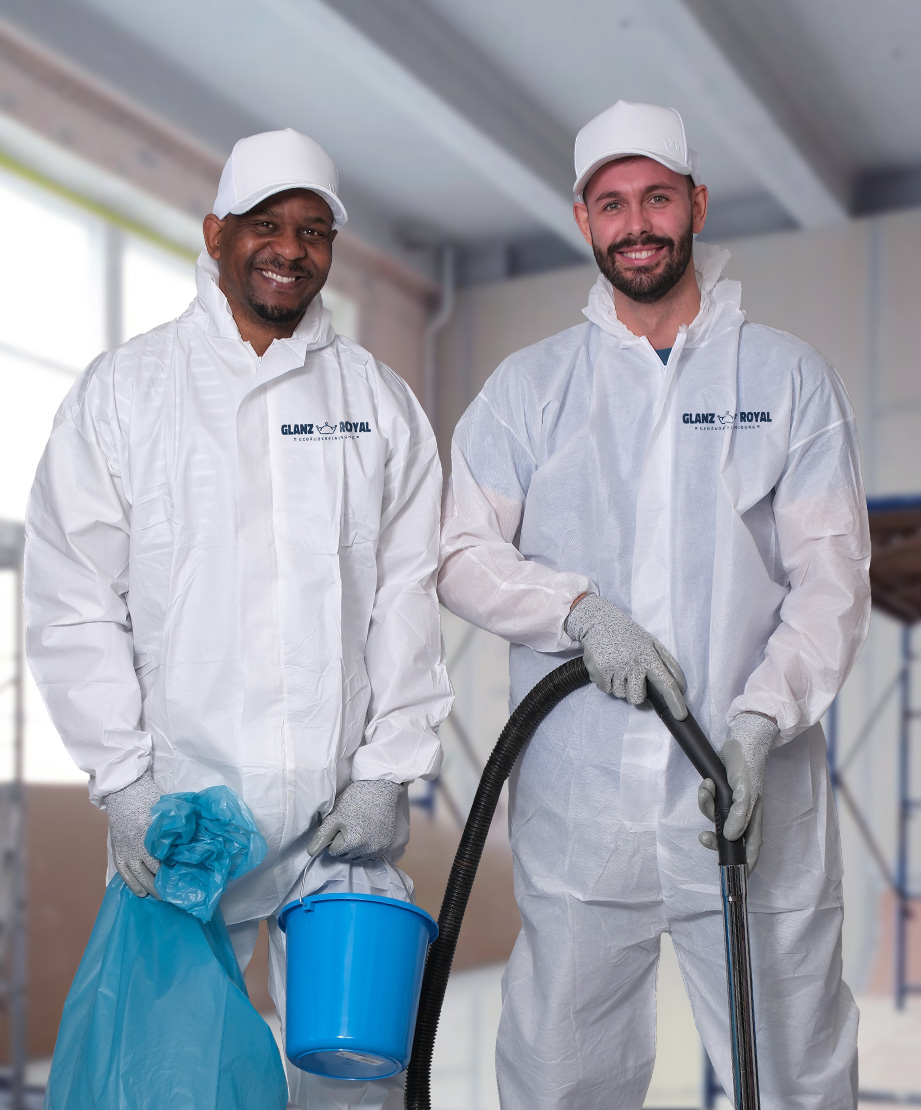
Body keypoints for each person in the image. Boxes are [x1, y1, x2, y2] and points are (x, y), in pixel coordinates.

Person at [438, 100, 869, 1110]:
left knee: (794, 1076)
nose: (637, 224)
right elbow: (458, 551)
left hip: (747, 800)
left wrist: (760, 721)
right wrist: (578, 612)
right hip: (582, 811)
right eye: (613, 204)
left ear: (696, 206)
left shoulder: (785, 378)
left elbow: (831, 578)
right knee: (561, 1081)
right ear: (583, 219)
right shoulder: (530, 389)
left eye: (657, 199)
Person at [24, 127, 451, 1110]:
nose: (289, 249)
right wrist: (125, 781)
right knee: (175, 1090)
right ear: (216, 232)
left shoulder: (376, 403)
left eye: (313, 230)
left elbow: (407, 596)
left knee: (356, 1085)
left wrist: (389, 771)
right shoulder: (127, 394)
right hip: (185, 823)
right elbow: (72, 598)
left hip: (340, 826)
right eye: (266, 224)